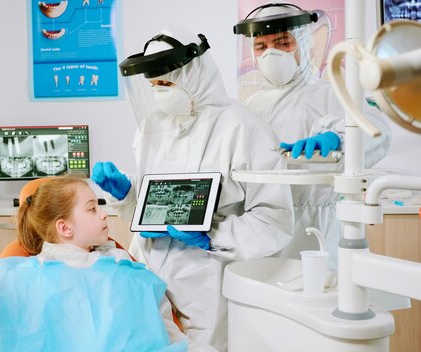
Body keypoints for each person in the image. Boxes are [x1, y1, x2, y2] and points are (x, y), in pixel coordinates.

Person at [92, 26, 294, 352]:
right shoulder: (152, 128)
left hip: (207, 282)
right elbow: (150, 207)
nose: (159, 93)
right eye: (154, 85)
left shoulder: (242, 128)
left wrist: (213, 235)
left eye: (167, 83)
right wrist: (128, 194)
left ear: (194, 73)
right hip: (147, 273)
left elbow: (275, 220)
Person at [233, 2, 391, 271]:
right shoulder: (246, 108)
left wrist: (340, 139)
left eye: (282, 42)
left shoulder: (330, 94)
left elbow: (378, 132)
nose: (270, 53)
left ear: (304, 44)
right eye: (261, 46)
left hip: (316, 229)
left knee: (321, 300)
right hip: (260, 234)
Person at [0, 176, 187, 352]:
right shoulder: (24, 281)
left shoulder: (119, 264)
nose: (103, 213)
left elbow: (157, 322)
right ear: (65, 227)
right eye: (92, 209)